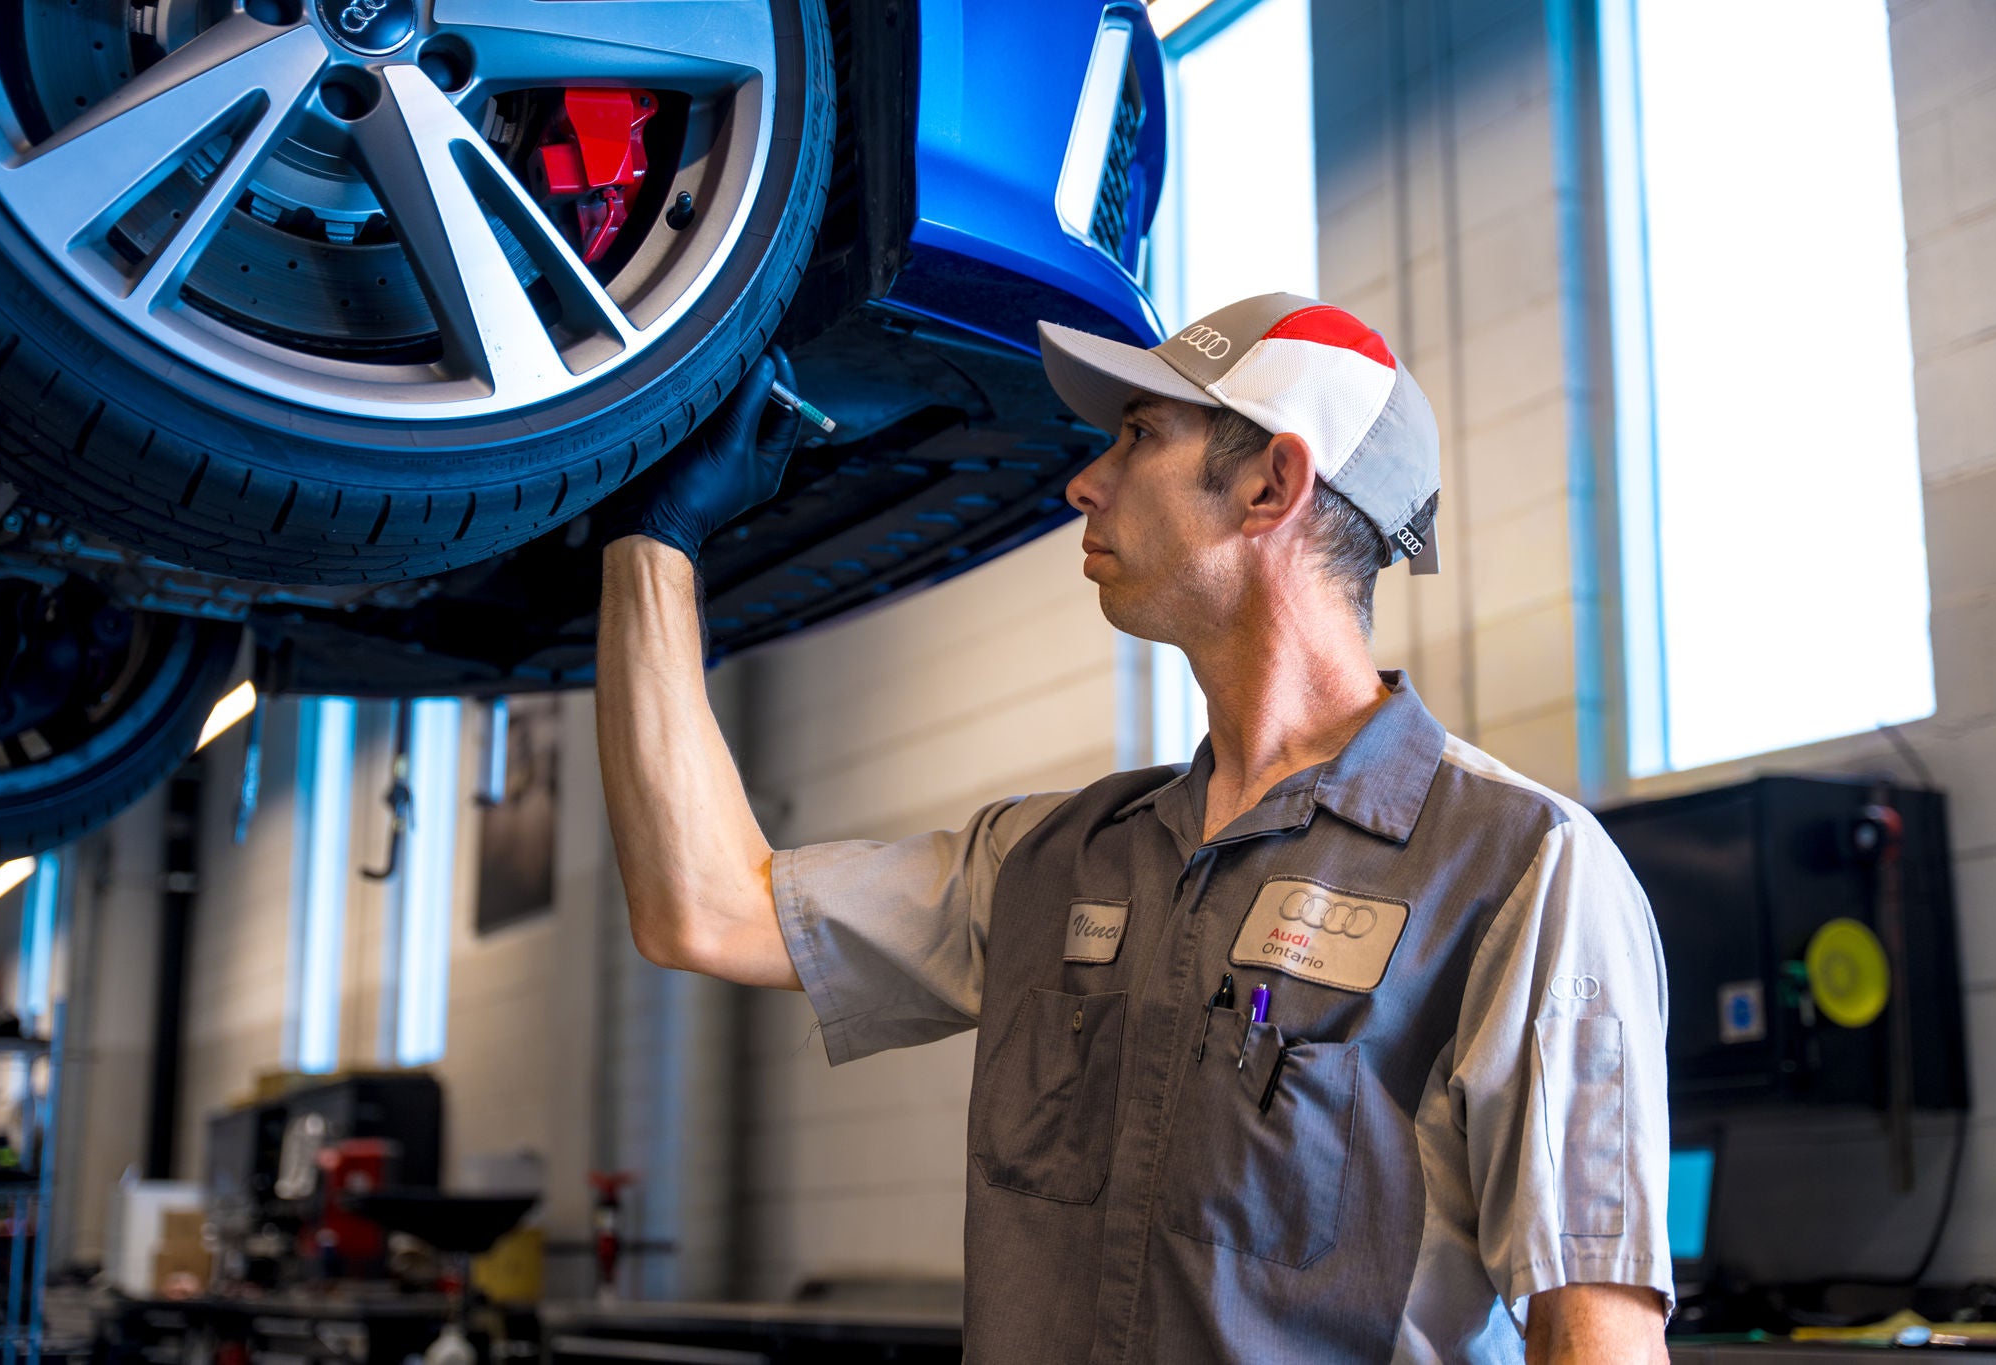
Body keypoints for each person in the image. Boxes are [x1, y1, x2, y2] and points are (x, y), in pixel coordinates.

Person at [593, 296, 1672, 1364]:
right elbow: (706, 908)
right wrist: (656, 541)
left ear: (1269, 486)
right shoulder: (1054, 859)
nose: (1084, 482)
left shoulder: (1520, 870)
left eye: (1141, 435)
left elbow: (1594, 1341)